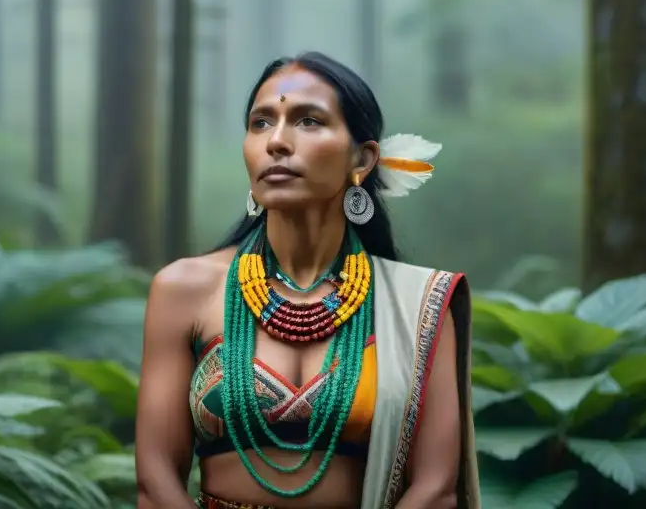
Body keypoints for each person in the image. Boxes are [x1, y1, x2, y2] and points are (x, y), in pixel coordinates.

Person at [135, 52, 480, 509]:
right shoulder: (184, 290)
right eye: (261, 123)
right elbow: (156, 482)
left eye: (308, 121)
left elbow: (435, 490)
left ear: (363, 158)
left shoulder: (416, 306)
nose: (276, 141)